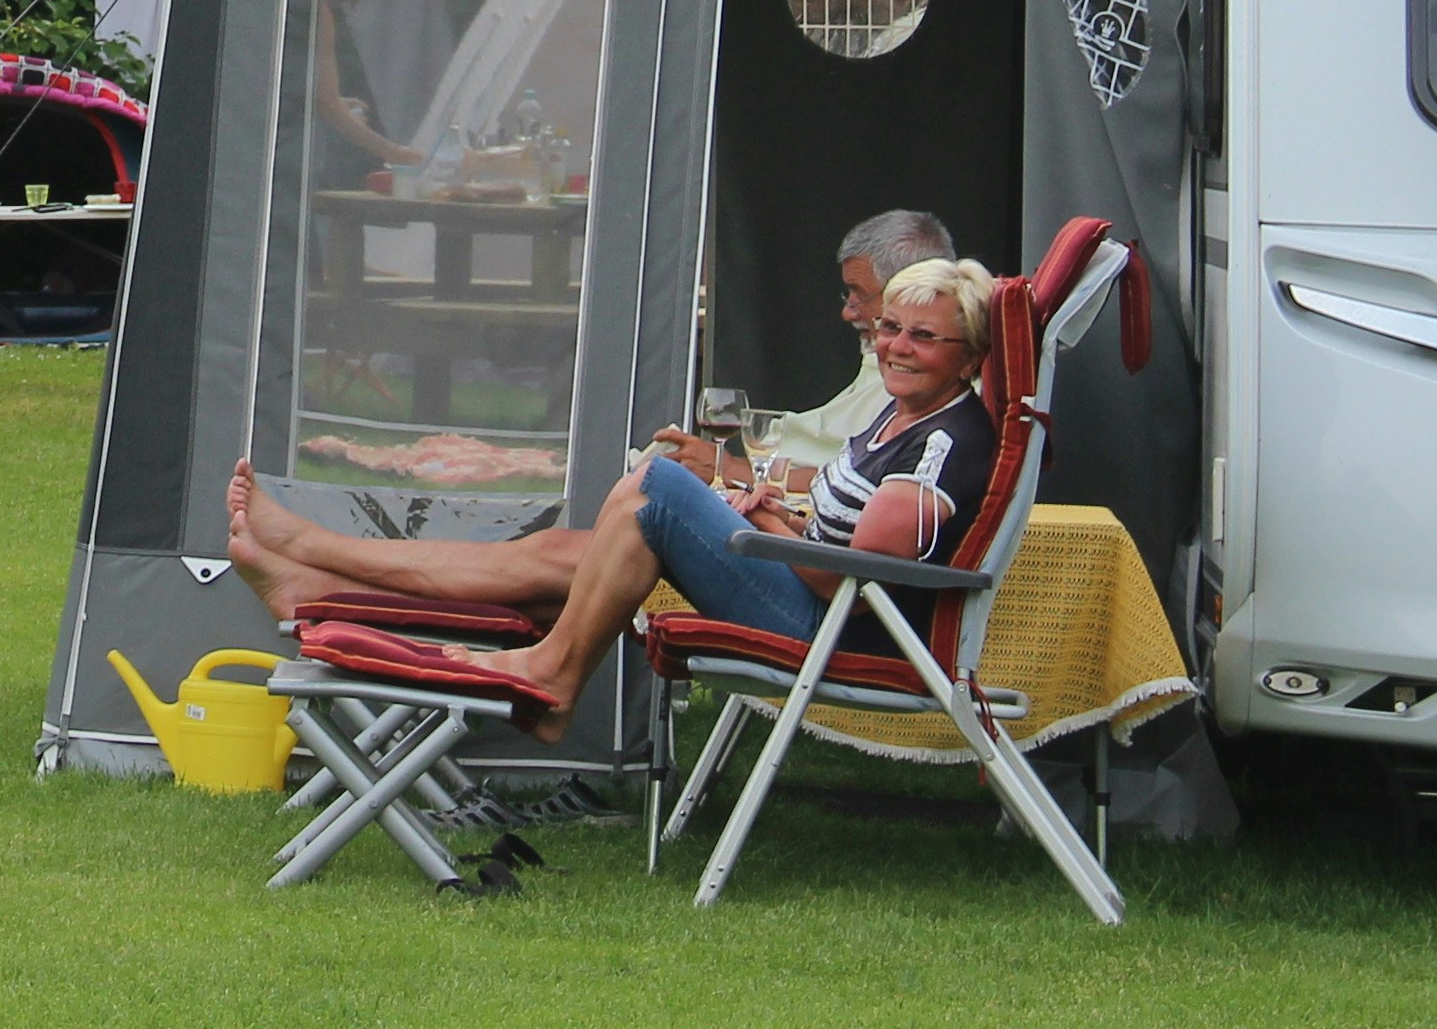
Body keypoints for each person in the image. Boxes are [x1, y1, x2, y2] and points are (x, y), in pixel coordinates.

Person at [232, 257, 1009, 712]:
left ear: (970, 356)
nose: (896, 347)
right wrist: (772, 508)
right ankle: (317, 575)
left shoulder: (941, 448)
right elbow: (837, 548)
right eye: (889, 328)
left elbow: (856, 576)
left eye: (923, 337)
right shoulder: (899, 419)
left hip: (828, 631)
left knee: (660, 484)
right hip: (808, 599)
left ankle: (549, 667)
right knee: (570, 561)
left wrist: (763, 522)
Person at [223, 203, 952, 628]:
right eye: (876, 316)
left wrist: (740, 473)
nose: (856, 315)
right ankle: (328, 589)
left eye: (868, 301)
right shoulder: (894, 373)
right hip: (783, 549)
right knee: (559, 566)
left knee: (562, 556)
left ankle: (322, 562)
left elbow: (861, 517)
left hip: (797, 584)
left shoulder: (938, 405)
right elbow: (846, 473)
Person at [655, 206, 951, 503]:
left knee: (649, 497)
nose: (848, 312)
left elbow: (865, 476)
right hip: (780, 513)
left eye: (859, 295)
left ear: (909, 292)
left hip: (801, 532)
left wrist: (731, 470)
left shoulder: (928, 387)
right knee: (648, 487)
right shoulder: (886, 364)